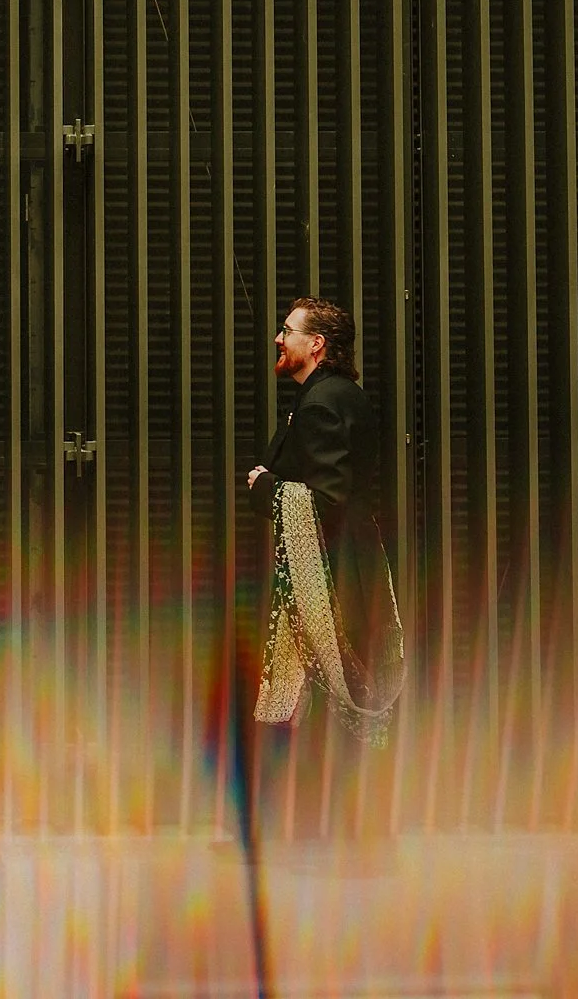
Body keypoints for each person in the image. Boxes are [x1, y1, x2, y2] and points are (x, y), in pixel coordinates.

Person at [238, 297, 405, 862]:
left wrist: (265, 487)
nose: (278, 339)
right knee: (343, 696)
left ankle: (328, 839)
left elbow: (327, 500)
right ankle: (345, 835)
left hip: (330, 575)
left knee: (333, 694)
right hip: (351, 565)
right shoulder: (338, 396)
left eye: (287, 331)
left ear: (317, 344)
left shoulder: (321, 405)